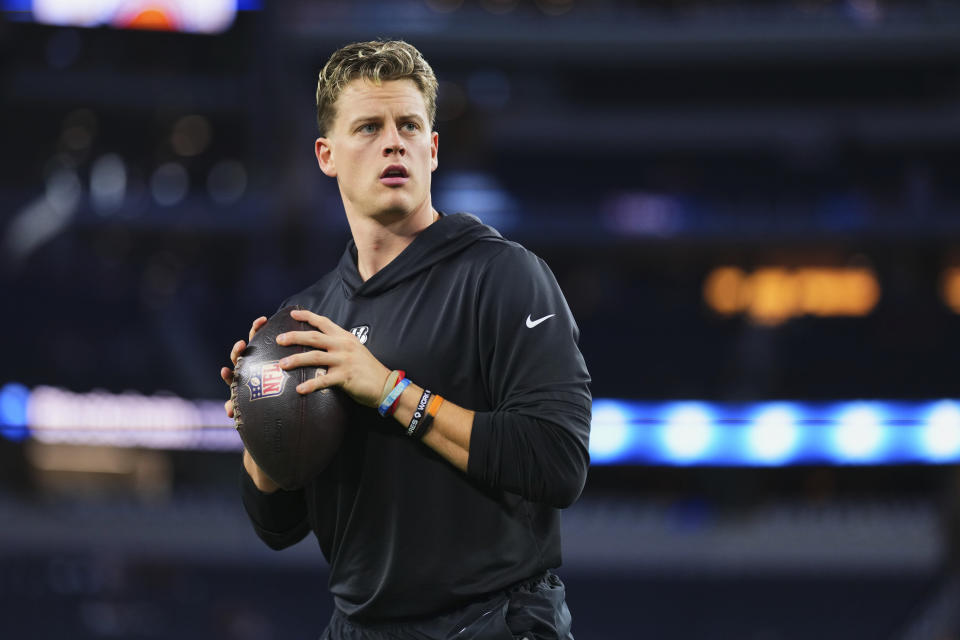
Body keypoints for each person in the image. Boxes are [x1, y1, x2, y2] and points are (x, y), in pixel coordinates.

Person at [220, 40, 592, 640]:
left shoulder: (504, 276)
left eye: (409, 126)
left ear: (433, 149)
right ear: (326, 154)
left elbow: (557, 462)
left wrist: (390, 390)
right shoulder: (307, 316)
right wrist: (261, 426)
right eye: (368, 127)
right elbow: (277, 524)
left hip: (493, 623)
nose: (394, 142)